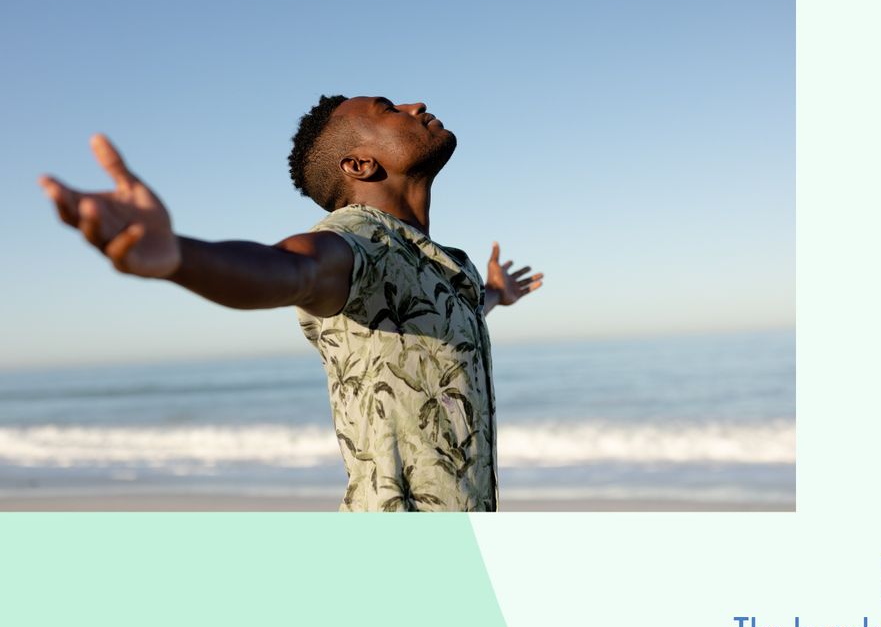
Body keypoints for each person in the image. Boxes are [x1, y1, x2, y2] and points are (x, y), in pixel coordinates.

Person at [37, 95, 543, 511]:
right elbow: (289, 270)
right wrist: (180, 257)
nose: (416, 105)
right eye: (389, 108)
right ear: (360, 165)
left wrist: (495, 293)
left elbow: (441, 318)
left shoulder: (444, 264)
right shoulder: (356, 239)